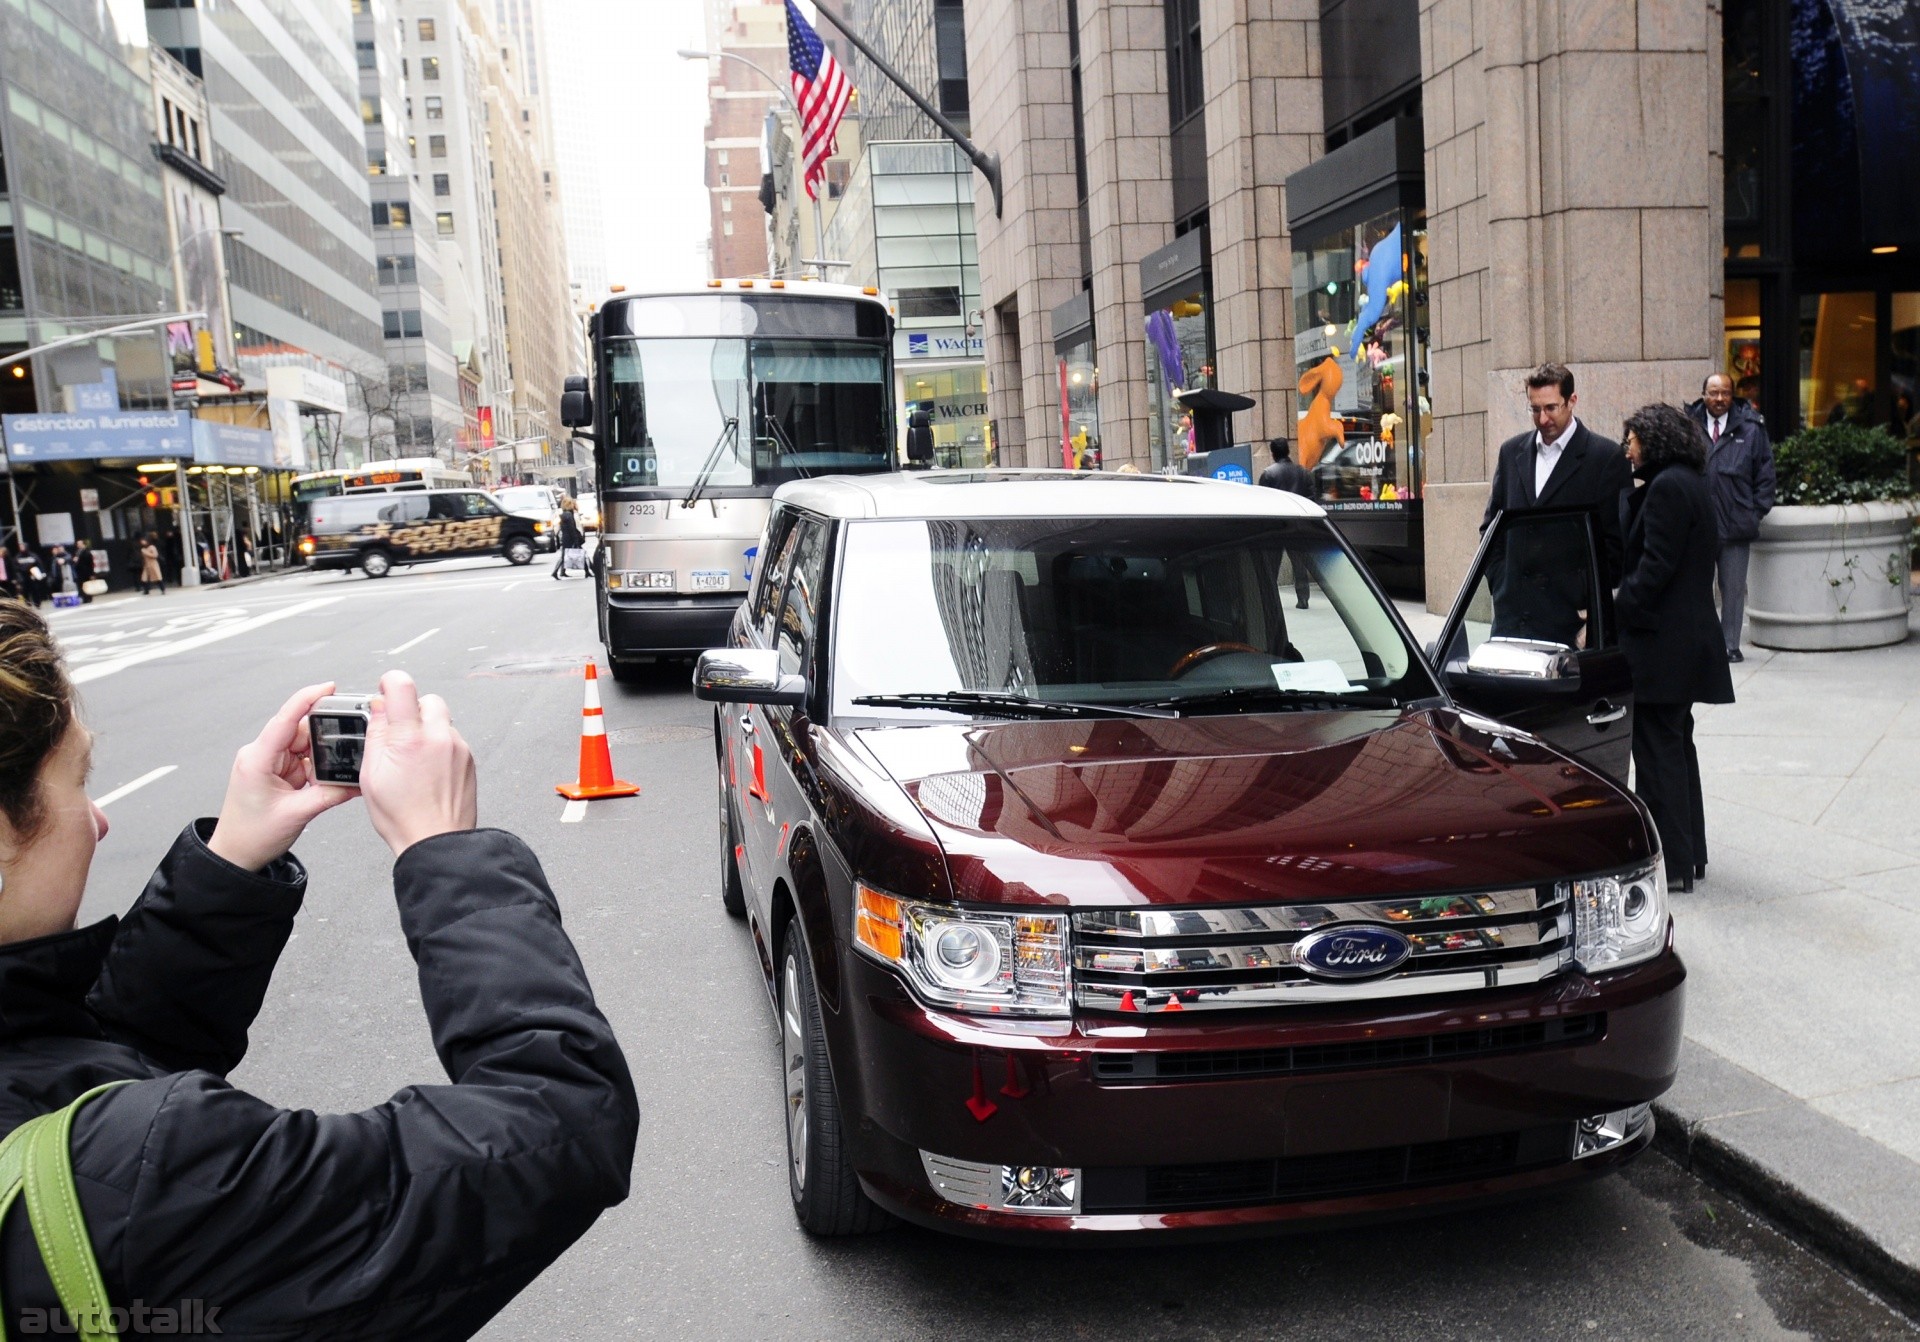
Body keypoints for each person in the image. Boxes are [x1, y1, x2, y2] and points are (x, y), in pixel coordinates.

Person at [0, 617, 639, 1337]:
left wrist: (232, 858)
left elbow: (74, 1073)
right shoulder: (153, 1179)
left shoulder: (85, 1147)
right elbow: (561, 1125)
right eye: (78, 781)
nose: (98, 820)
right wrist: (445, 850)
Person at [1616, 404, 1735, 893]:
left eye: (1633, 439)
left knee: (1658, 753)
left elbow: (1656, 569)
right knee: (1676, 747)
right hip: (1682, 644)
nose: (1627, 448)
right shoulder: (1689, 482)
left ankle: (1671, 863)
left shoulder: (1667, 487)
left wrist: (1618, 604)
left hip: (1662, 646)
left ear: (1655, 440)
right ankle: (1690, 856)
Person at [1480, 363, 1633, 645]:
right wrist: (1501, 583)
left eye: (1551, 408)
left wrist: (1585, 597)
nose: (1542, 419)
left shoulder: (1605, 458)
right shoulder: (1511, 452)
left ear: (1571, 401)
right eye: (1534, 409)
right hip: (1512, 617)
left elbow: (1615, 546)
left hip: (1572, 622)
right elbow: (1491, 528)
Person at [1687, 373, 1775, 662]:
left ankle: (1729, 645)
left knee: (1734, 590)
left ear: (1732, 395)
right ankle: (1701, 644)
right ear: (1703, 394)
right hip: (1697, 525)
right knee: (1697, 590)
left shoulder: (1750, 426)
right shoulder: (1688, 426)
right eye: (1713, 393)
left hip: (1736, 523)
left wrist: (1755, 511)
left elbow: (1765, 472)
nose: (1719, 399)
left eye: (1725, 393)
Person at [1258, 437, 1316, 609]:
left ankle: (1269, 599)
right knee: (1299, 563)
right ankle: (1303, 598)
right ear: (1288, 452)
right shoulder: (1303, 472)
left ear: (1273, 453)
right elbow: (1311, 499)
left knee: (1272, 565)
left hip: (1275, 526)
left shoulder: (1268, 473)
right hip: (1297, 525)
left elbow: (1262, 502)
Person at [551, 497, 585, 580]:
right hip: (570, 538)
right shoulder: (569, 515)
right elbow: (572, 528)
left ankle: (561, 572)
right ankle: (555, 572)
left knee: (564, 556)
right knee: (579, 555)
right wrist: (576, 540)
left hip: (566, 538)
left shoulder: (565, 514)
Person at [71, 539, 96, 603]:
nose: (78, 545)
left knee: (87, 585)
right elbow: (73, 560)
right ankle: (84, 598)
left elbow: (91, 564)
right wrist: (74, 560)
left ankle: (88, 598)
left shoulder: (87, 552)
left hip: (86, 572)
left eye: (80, 544)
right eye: (78, 544)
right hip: (79, 572)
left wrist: (92, 574)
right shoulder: (77, 552)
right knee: (81, 585)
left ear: (83, 544)